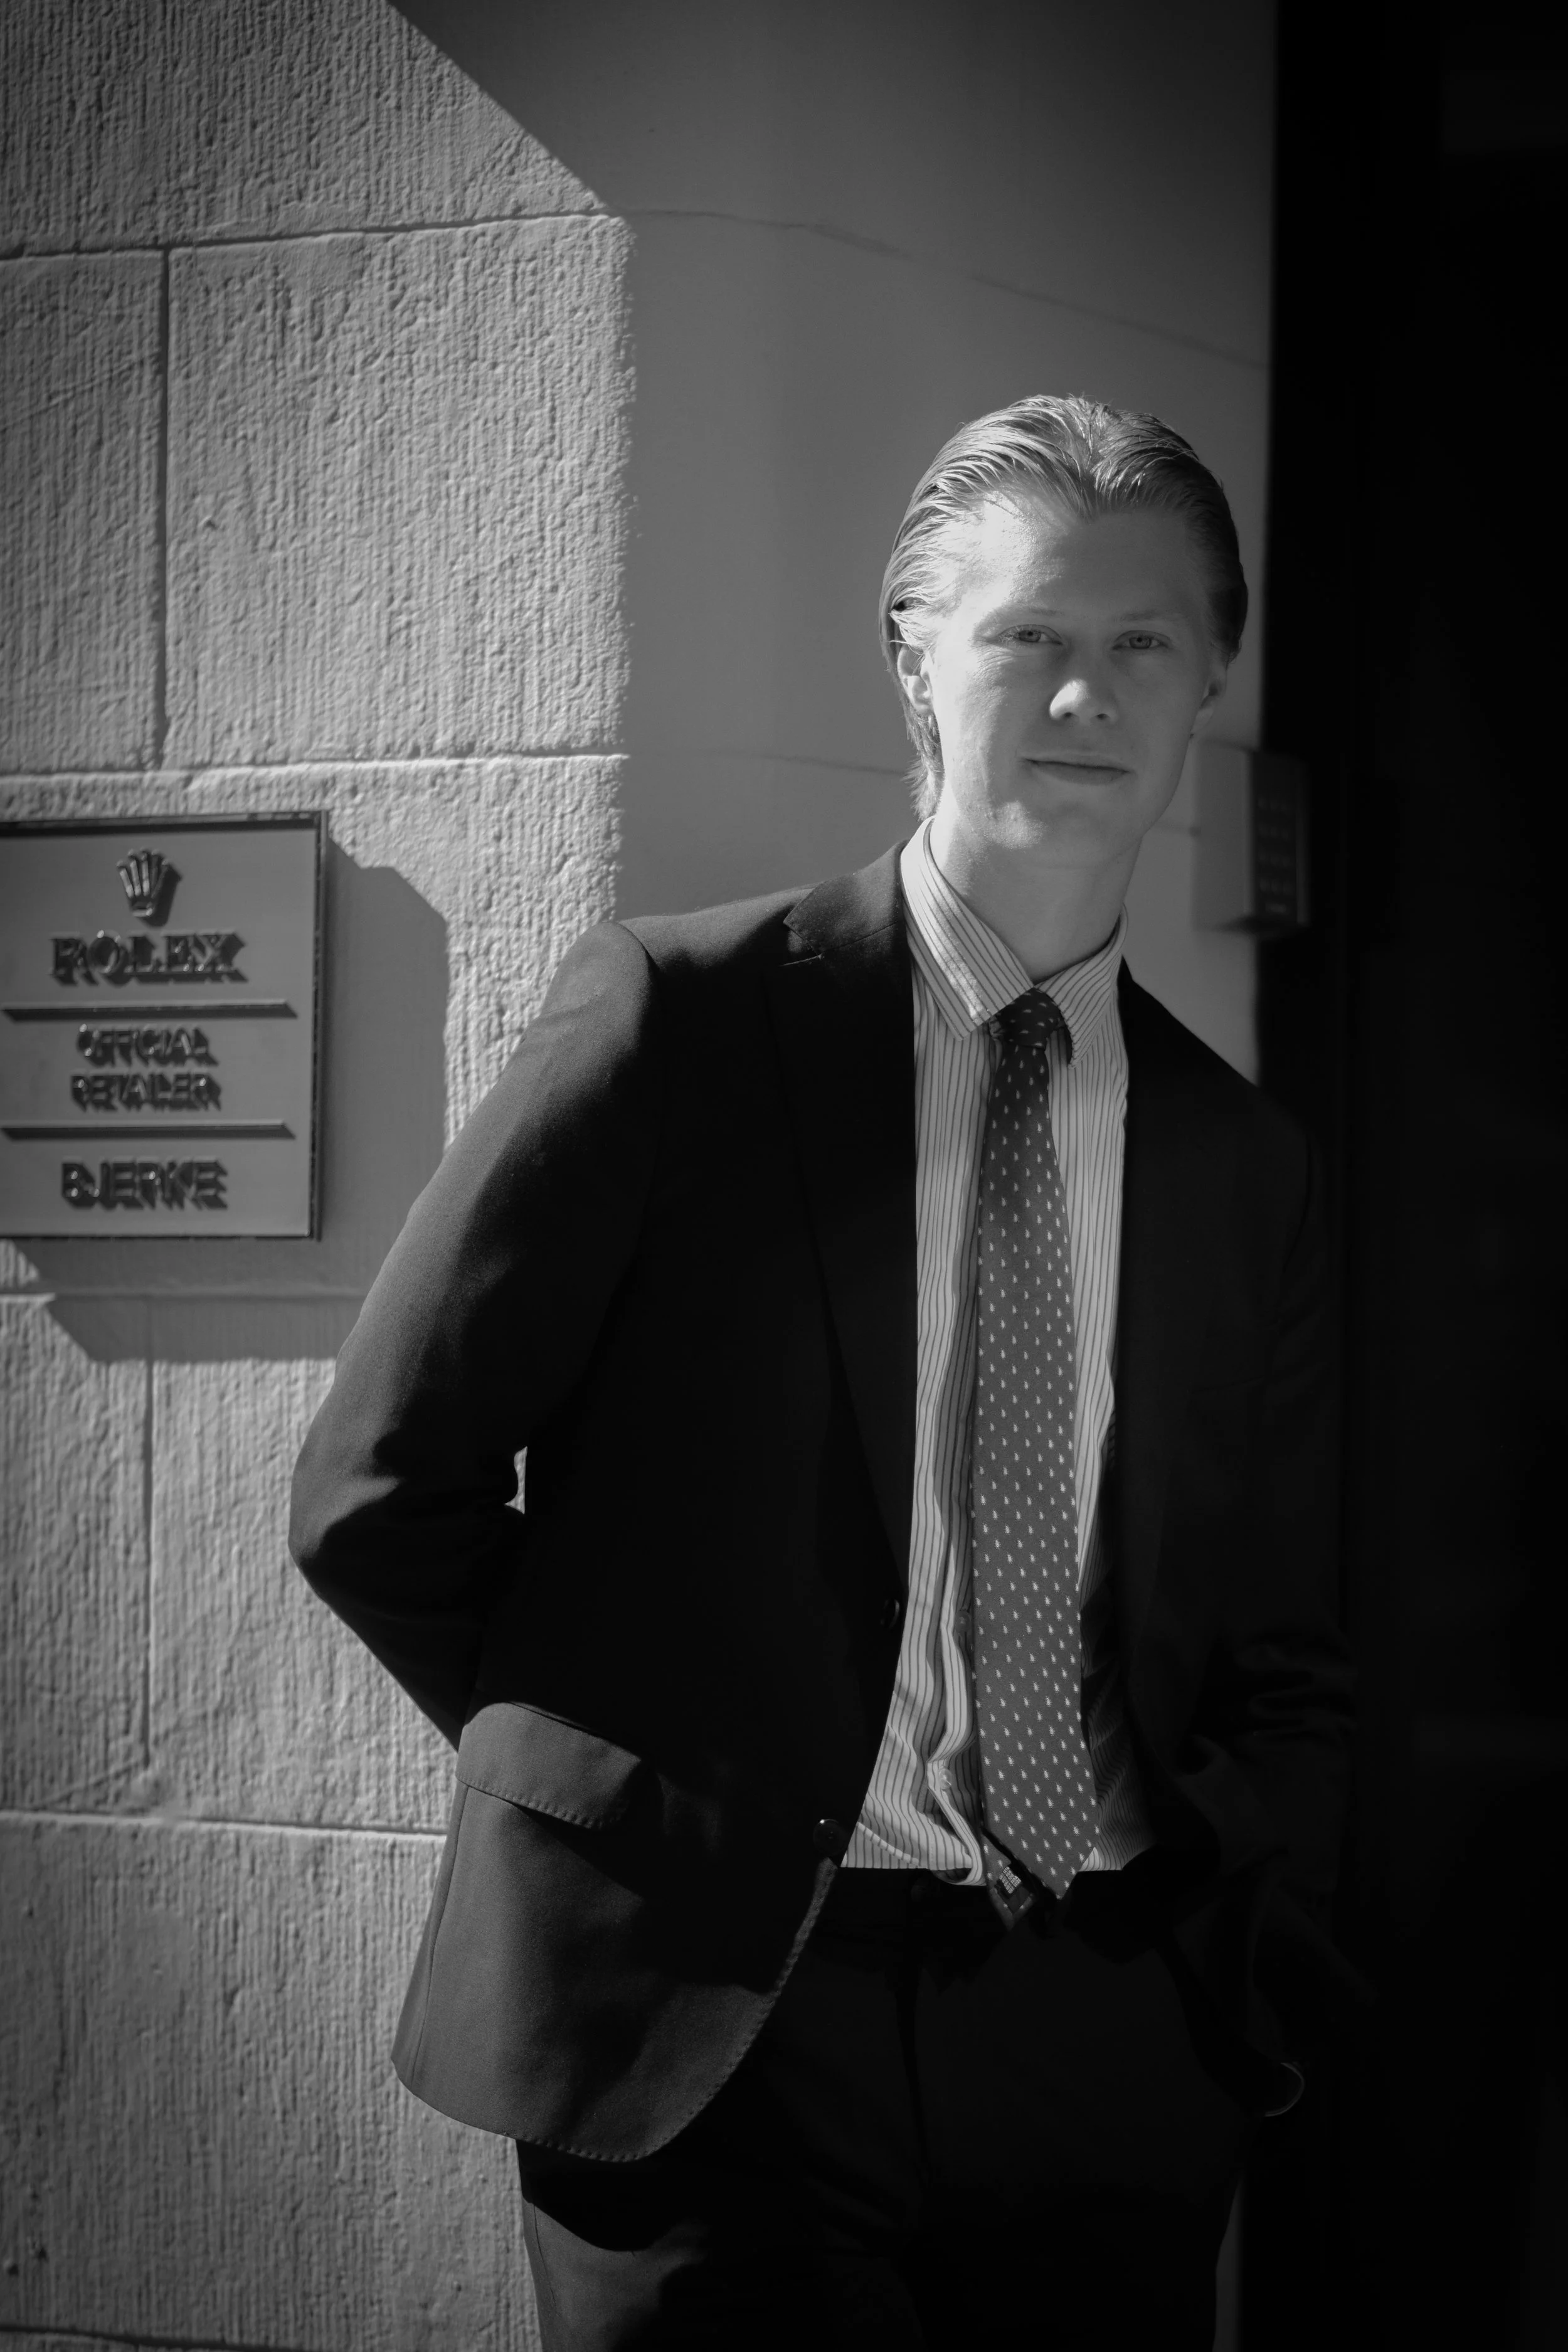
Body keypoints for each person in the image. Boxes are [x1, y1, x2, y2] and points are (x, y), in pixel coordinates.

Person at [290, 394, 1355, 2349]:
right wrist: (645, 1793)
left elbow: (1277, 1639)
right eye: (1023, 632)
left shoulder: (1243, 1160)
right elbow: (380, 1488)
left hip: (1100, 2033)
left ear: (1210, 675)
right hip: (720, 2035)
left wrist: (1197, 1968)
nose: (1077, 691)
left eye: (1138, 642)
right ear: (913, 656)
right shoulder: (678, 1021)